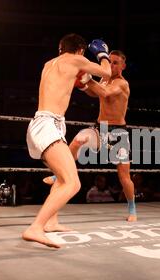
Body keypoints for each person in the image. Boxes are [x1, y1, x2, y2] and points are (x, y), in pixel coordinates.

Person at [23, 34, 111, 248]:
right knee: (73, 183)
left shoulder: (50, 64)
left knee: (62, 179)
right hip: (48, 126)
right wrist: (102, 54)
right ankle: (35, 227)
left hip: (43, 125)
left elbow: (100, 91)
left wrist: (86, 82)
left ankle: (51, 222)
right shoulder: (76, 60)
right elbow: (107, 73)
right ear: (81, 50)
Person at [43, 50, 138, 222]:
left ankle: (132, 208)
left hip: (118, 133)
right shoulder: (104, 80)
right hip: (99, 128)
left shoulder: (122, 84)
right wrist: (83, 85)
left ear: (123, 66)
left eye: (116, 62)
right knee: (78, 140)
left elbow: (105, 93)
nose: (112, 65)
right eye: (110, 61)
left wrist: (86, 78)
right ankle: (59, 174)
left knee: (124, 176)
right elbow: (95, 92)